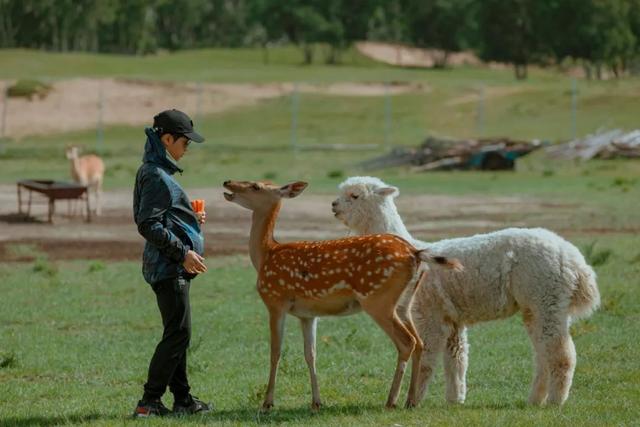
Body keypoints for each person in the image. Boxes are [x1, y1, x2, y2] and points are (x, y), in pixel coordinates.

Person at [132, 109, 211, 417]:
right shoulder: (154, 174)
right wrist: (184, 253)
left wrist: (187, 214)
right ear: (167, 139)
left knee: (177, 333)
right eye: (184, 141)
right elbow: (147, 224)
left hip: (169, 266)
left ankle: (183, 401)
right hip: (169, 267)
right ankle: (148, 403)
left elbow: (161, 215)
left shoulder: (157, 170)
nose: (187, 147)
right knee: (178, 334)